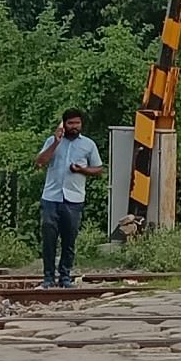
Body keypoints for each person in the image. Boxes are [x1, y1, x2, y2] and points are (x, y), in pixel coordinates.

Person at [33, 108, 104, 288]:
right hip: (51, 197)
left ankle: (65, 277)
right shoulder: (52, 141)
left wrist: (82, 170)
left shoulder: (88, 144)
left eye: (77, 123)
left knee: (69, 240)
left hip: (74, 199)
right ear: (64, 124)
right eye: (70, 123)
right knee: (49, 239)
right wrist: (55, 143)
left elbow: (98, 169)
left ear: (81, 124)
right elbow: (40, 162)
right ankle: (48, 278)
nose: (74, 127)